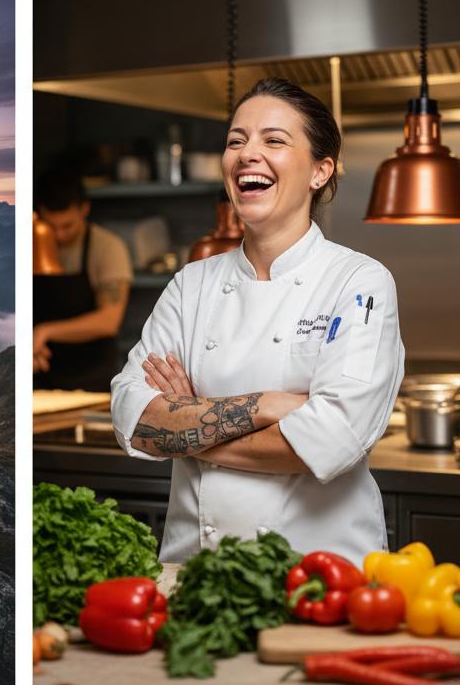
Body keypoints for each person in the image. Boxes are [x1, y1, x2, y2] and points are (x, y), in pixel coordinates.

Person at [110, 77, 405, 565]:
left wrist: (188, 424)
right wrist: (270, 405)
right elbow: (136, 420)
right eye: (235, 140)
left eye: (274, 140)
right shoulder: (191, 285)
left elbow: (330, 441)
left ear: (320, 171)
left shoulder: (359, 283)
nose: (248, 153)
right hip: (195, 574)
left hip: (318, 576)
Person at [32, 169, 133, 390]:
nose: (59, 235)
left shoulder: (107, 247)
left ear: (84, 209)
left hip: (93, 379)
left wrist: (43, 332)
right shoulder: (30, 243)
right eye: (51, 226)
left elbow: (109, 321)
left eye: (67, 226)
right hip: (43, 375)